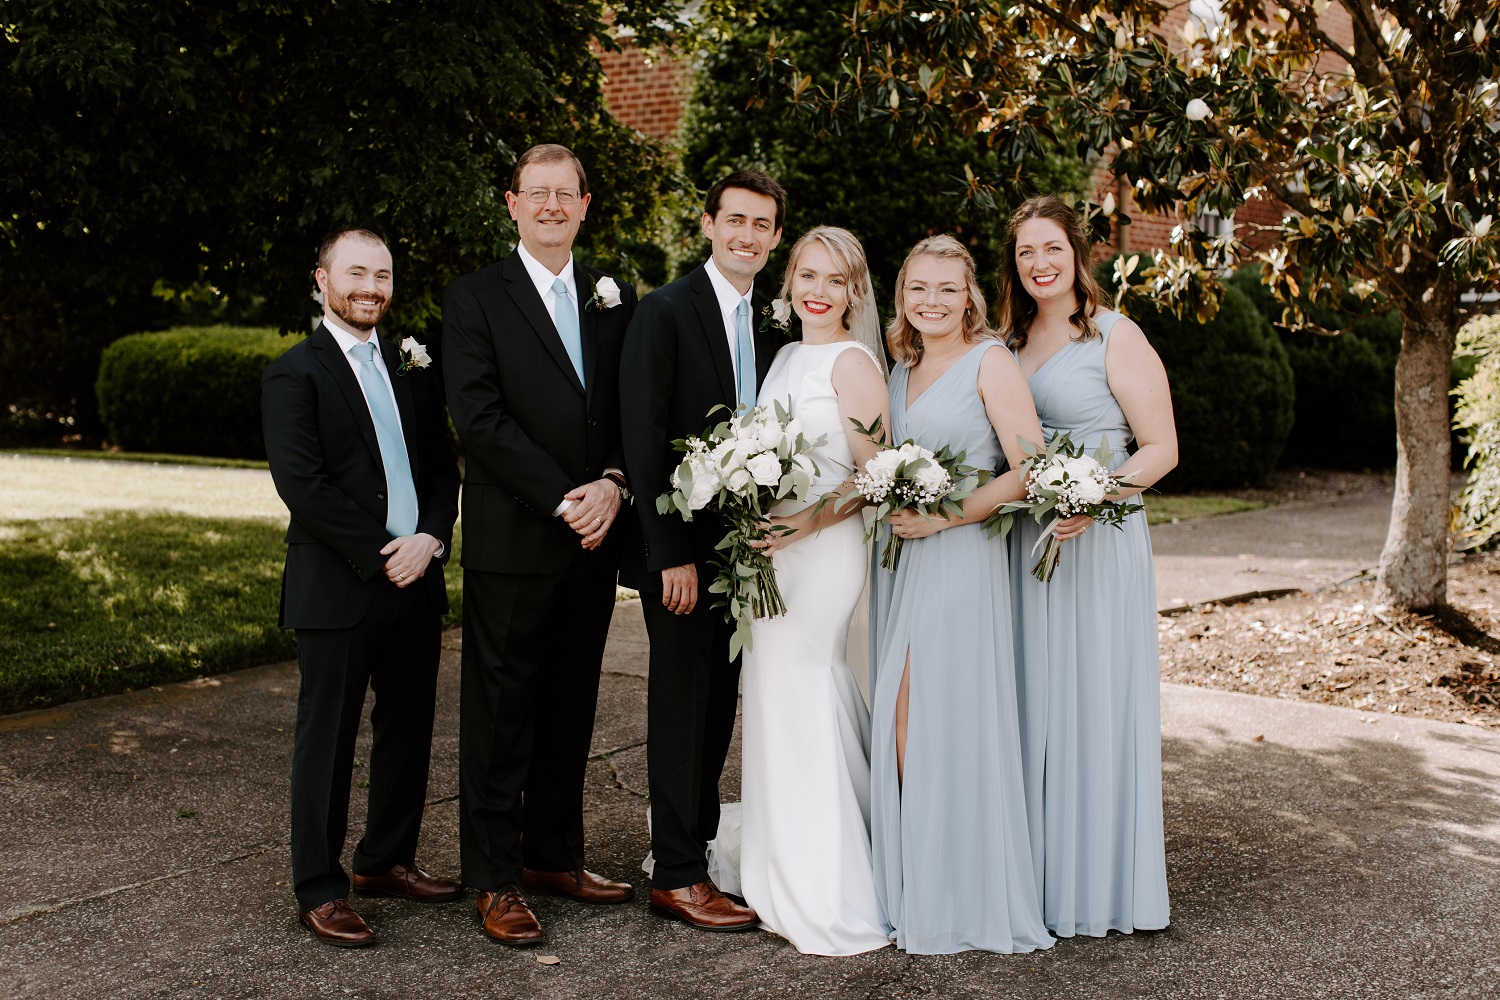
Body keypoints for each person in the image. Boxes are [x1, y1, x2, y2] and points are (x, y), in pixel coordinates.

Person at [442, 143, 638, 947]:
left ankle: (553, 855)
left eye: (567, 194)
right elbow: (478, 420)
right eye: (538, 193)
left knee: (570, 704)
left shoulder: (615, 297)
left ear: (585, 205)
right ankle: (493, 876)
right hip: (516, 539)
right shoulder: (474, 299)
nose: (552, 205)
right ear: (513, 203)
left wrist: (617, 484)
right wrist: (568, 497)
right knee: (500, 714)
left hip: (593, 539)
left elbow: (632, 401)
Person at [262, 228, 462, 948]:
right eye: (356, 273)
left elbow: (444, 469)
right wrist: (385, 553)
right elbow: (304, 487)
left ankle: (386, 860)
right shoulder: (295, 374)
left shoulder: (413, 367)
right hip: (340, 586)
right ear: (322, 278)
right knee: (329, 735)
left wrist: (431, 538)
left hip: (417, 576)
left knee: (407, 729)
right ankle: (320, 885)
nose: (370, 287)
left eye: (381, 275)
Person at [868, 234, 1053, 954]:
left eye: (947, 289)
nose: (932, 302)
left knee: (924, 714)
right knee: (906, 716)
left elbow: (1030, 467)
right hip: (905, 562)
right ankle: (922, 875)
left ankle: (948, 887)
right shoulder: (901, 365)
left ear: (970, 296)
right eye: (919, 288)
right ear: (902, 296)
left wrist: (948, 513)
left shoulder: (990, 360)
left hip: (961, 558)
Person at [999, 195, 1176, 937]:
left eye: (1052, 249)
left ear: (1078, 255)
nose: (1040, 264)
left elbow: (1161, 448)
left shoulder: (1114, 335)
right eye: (1026, 252)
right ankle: (1030, 877)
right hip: (1023, 543)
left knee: (1092, 703)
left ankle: (1100, 884)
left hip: (1099, 544)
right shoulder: (1002, 345)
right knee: (1031, 703)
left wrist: (1097, 498)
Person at [618, 169, 788, 932]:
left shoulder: (777, 326)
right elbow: (643, 439)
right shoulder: (664, 312)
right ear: (709, 225)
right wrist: (668, 555)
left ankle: (695, 852)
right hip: (684, 556)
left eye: (763, 225)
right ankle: (677, 876)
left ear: (775, 238)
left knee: (717, 709)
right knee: (681, 707)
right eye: (737, 221)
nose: (748, 235)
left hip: (748, 556)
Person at [736, 226, 891, 955]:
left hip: (824, 549)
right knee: (773, 694)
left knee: (805, 684)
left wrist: (807, 521)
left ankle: (828, 884)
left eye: (835, 280)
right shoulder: (789, 355)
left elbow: (875, 473)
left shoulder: (854, 362)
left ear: (855, 290)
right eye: (807, 275)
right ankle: (779, 864)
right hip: (774, 545)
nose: (818, 291)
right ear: (790, 280)